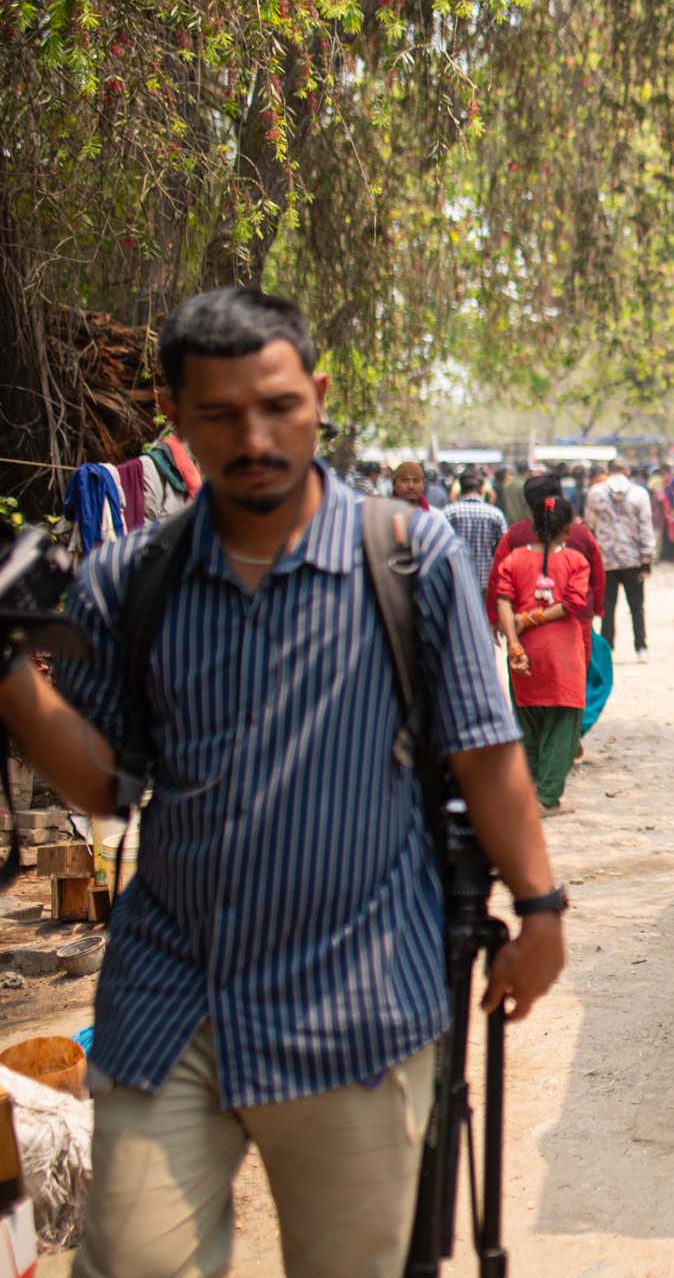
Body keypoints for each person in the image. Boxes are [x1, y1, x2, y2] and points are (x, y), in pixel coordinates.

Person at [0, 288, 566, 1275]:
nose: (253, 437)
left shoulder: (407, 560)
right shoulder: (128, 582)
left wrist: (543, 909)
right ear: (176, 423)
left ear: (318, 395)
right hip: (171, 1008)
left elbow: (484, 748)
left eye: (277, 407)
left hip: (357, 1010)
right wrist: (11, 678)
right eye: (219, 415)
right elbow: (104, 786)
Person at [493, 490, 590, 815]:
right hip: (562, 656)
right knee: (562, 725)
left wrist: (515, 642)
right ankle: (547, 798)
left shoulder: (513, 559)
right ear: (567, 529)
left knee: (528, 721)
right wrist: (533, 617)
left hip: (525, 653)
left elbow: (502, 600)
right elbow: (573, 603)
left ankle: (529, 790)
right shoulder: (576, 561)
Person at [487, 473, 605, 653]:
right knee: (576, 674)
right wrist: (596, 606)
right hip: (575, 618)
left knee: (528, 672)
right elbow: (597, 575)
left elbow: (497, 579)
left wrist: (495, 617)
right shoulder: (580, 534)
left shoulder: (515, 534)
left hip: (523, 620)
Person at [584, 461, 656, 659]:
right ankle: (641, 647)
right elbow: (646, 527)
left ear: (608, 471)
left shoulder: (595, 493)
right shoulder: (639, 494)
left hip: (605, 560)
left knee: (607, 606)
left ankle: (608, 648)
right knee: (636, 606)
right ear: (627, 470)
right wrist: (646, 559)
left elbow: (589, 524)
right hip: (633, 560)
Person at [442, 467, 509, 595]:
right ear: (480, 489)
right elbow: (504, 548)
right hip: (486, 579)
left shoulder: (448, 512)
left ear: (461, 489)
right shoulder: (495, 514)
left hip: (455, 577)